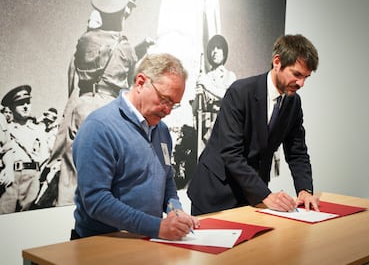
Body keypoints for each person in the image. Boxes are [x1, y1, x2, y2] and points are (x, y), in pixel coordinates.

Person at [187, 34, 320, 215]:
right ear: (277, 62)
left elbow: (297, 152)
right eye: (296, 74)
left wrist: (305, 190)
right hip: (216, 192)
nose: (301, 83)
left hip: (252, 195)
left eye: (306, 77)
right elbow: (231, 153)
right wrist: (265, 195)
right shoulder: (240, 92)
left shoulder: (293, 103)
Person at [71, 53, 199, 240]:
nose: (168, 111)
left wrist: (175, 211)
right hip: (102, 245)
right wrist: (156, 227)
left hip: (146, 241)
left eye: (174, 105)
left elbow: (167, 181)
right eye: (165, 100)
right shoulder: (99, 127)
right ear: (140, 82)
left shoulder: (161, 130)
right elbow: (96, 201)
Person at [40, 0, 138, 208]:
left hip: (81, 105)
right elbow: (132, 83)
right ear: (121, 13)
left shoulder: (84, 41)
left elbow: (72, 76)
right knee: (108, 173)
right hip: (109, 108)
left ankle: (66, 219)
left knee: (71, 173)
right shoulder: (125, 47)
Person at [0, 85, 49, 213]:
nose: (26, 106)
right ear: (11, 107)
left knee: (29, 216)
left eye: (28, 102)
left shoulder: (39, 130)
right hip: (11, 177)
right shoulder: (6, 129)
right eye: (21, 104)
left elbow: (45, 156)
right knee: (5, 214)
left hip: (33, 177)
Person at [194, 34, 236, 149]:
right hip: (207, 131)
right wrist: (198, 94)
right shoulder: (205, 77)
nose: (215, 51)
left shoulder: (230, 76)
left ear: (224, 52)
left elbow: (229, 97)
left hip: (225, 128)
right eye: (212, 48)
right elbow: (196, 109)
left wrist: (207, 86)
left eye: (218, 48)